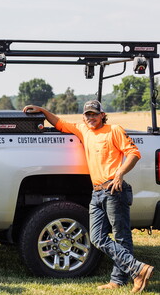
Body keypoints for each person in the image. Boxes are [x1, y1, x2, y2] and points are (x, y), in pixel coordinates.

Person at [23, 100, 154, 293]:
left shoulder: (114, 130)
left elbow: (133, 153)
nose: (91, 117)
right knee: (97, 237)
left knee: (121, 237)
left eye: (94, 114)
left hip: (113, 189)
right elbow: (59, 123)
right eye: (87, 115)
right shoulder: (84, 130)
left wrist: (119, 174)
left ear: (102, 115)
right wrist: (42, 110)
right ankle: (138, 268)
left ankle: (119, 280)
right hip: (97, 191)